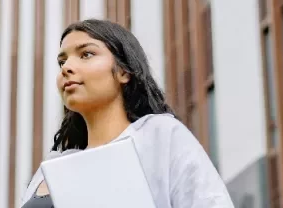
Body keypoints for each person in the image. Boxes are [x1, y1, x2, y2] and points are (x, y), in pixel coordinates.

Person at [21, 19, 234, 208]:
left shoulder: (160, 136)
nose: (67, 67)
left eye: (86, 54)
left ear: (124, 71)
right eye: (62, 61)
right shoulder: (51, 166)